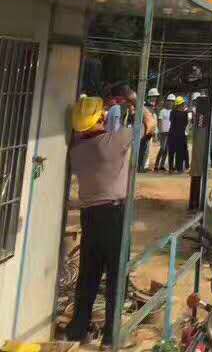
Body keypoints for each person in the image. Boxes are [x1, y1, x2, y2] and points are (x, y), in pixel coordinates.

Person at [63, 96, 133, 347]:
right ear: (101, 118)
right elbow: (148, 124)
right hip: (114, 215)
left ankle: (77, 328)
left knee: (88, 274)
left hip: (89, 217)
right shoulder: (115, 141)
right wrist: (134, 102)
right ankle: (111, 336)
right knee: (116, 275)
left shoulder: (76, 151)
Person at [138, 90, 158, 171]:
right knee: (143, 149)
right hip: (145, 131)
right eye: (154, 96)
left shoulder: (150, 108)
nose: (155, 98)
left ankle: (142, 166)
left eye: (156, 96)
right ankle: (140, 167)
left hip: (148, 131)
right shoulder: (146, 107)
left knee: (146, 149)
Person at [168, 96, 189, 172]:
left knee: (171, 151)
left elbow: (171, 121)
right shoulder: (185, 114)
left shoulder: (172, 112)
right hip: (180, 134)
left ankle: (170, 168)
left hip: (172, 133)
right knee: (179, 152)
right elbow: (186, 123)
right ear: (181, 104)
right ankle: (179, 168)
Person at [154, 94, 175, 171]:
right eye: (169, 101)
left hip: (170, 132)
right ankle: (156, 165)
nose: (170, 103)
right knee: (162, 148)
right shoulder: (163, 111)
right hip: (163, 132)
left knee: (167, 149)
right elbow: (159, 122)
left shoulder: (173, 111)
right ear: (167, 102)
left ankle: (162, 165)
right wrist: (159, 131)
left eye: (172, 101)